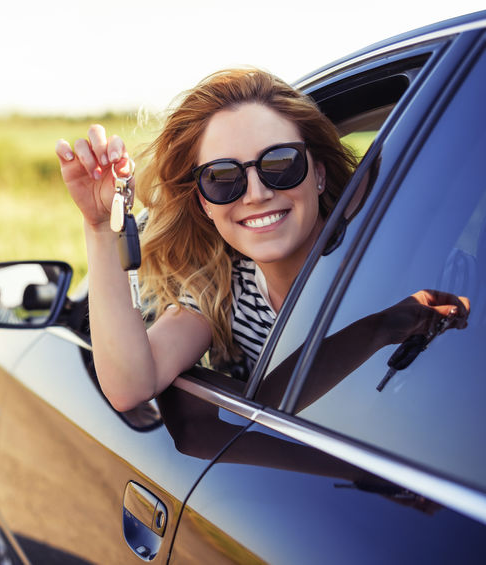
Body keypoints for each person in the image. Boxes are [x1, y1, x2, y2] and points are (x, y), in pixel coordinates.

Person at [54, 68, 466, 412]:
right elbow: (130, 386)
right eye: (222, 178)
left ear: (318, 173)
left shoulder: (395, 269)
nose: (256, 193)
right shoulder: (223, 288)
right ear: (203, 203)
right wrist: (99, 226)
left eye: (280, 163)